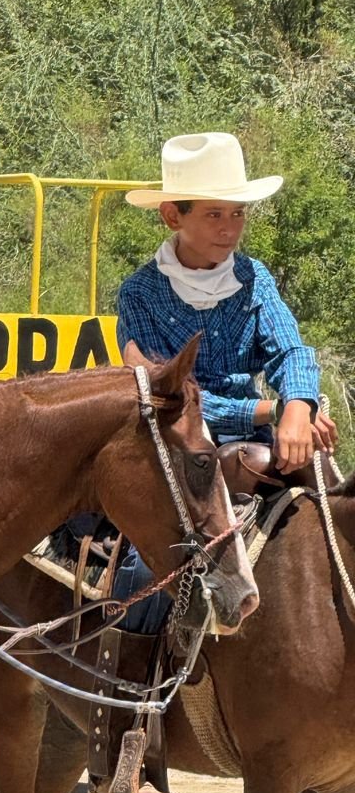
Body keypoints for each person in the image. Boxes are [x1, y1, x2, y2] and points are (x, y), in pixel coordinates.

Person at [113, 131, 337, 628]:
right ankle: (129, 659)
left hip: (256, 435)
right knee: (147, 554)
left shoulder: (254, 278)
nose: (230, 227)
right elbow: (168, 397)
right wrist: (271, 412)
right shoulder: (139, 295)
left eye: (237, 213)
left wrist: (300, 404)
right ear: (173, 216)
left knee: (332, 492)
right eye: (214, 214)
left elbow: (291, 348)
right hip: (174, 444)